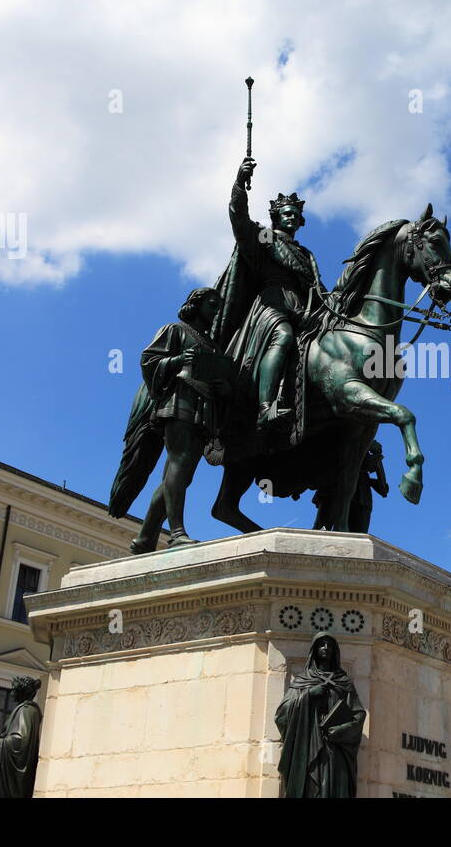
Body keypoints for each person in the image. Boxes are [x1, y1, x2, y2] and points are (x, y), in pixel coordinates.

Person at [109, 287, 231, 552]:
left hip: (203, 410)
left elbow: (217, 378)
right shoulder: (174, 330)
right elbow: (148, 361)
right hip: (179, 402)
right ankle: (176, 534)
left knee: (180, 476)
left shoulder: (212, 345)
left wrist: (223, 387)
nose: (216, 311)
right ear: (196, 305)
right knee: (179, 463)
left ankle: (144, 539)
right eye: (212, 304)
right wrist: (177, 360)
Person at [214, 156, 327, 433]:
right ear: (276, 216)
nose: (291, 217)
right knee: (284, 336)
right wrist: (240, 183)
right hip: (271, 306)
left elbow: (317, 288)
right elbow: (239, 220)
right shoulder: (265, 239)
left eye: (295, 214)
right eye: (286, 213)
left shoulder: (306, 254)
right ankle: (266, 408)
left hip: (304, 310)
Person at [275, 632, 367, 797]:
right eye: (321, 644)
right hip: (309, 746)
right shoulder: (303, 681)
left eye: (329, 645)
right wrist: (309, 695)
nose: (326, 648)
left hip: (336, 749)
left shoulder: (344, 682)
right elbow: (281, 715)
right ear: (314, 649)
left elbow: (359, 715)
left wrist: (342, 730)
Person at [0, 676, 43, 798]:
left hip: (11, 780)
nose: (11, 693)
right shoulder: (26, 710)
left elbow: (20, 739)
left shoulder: (26, 710)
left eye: (14, 690)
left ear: (21, 691)